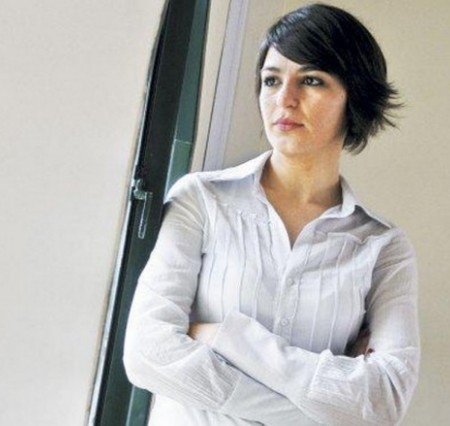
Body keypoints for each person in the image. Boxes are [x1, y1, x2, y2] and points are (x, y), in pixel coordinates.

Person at [123, 3, 420, 425]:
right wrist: (318, 413)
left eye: (311, 80)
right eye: (271, 80)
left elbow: (385, 401)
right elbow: (147, 355)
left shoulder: (382, 246)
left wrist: (230, 337)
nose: (284, 99)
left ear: (355, 96)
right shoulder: (201, 200)